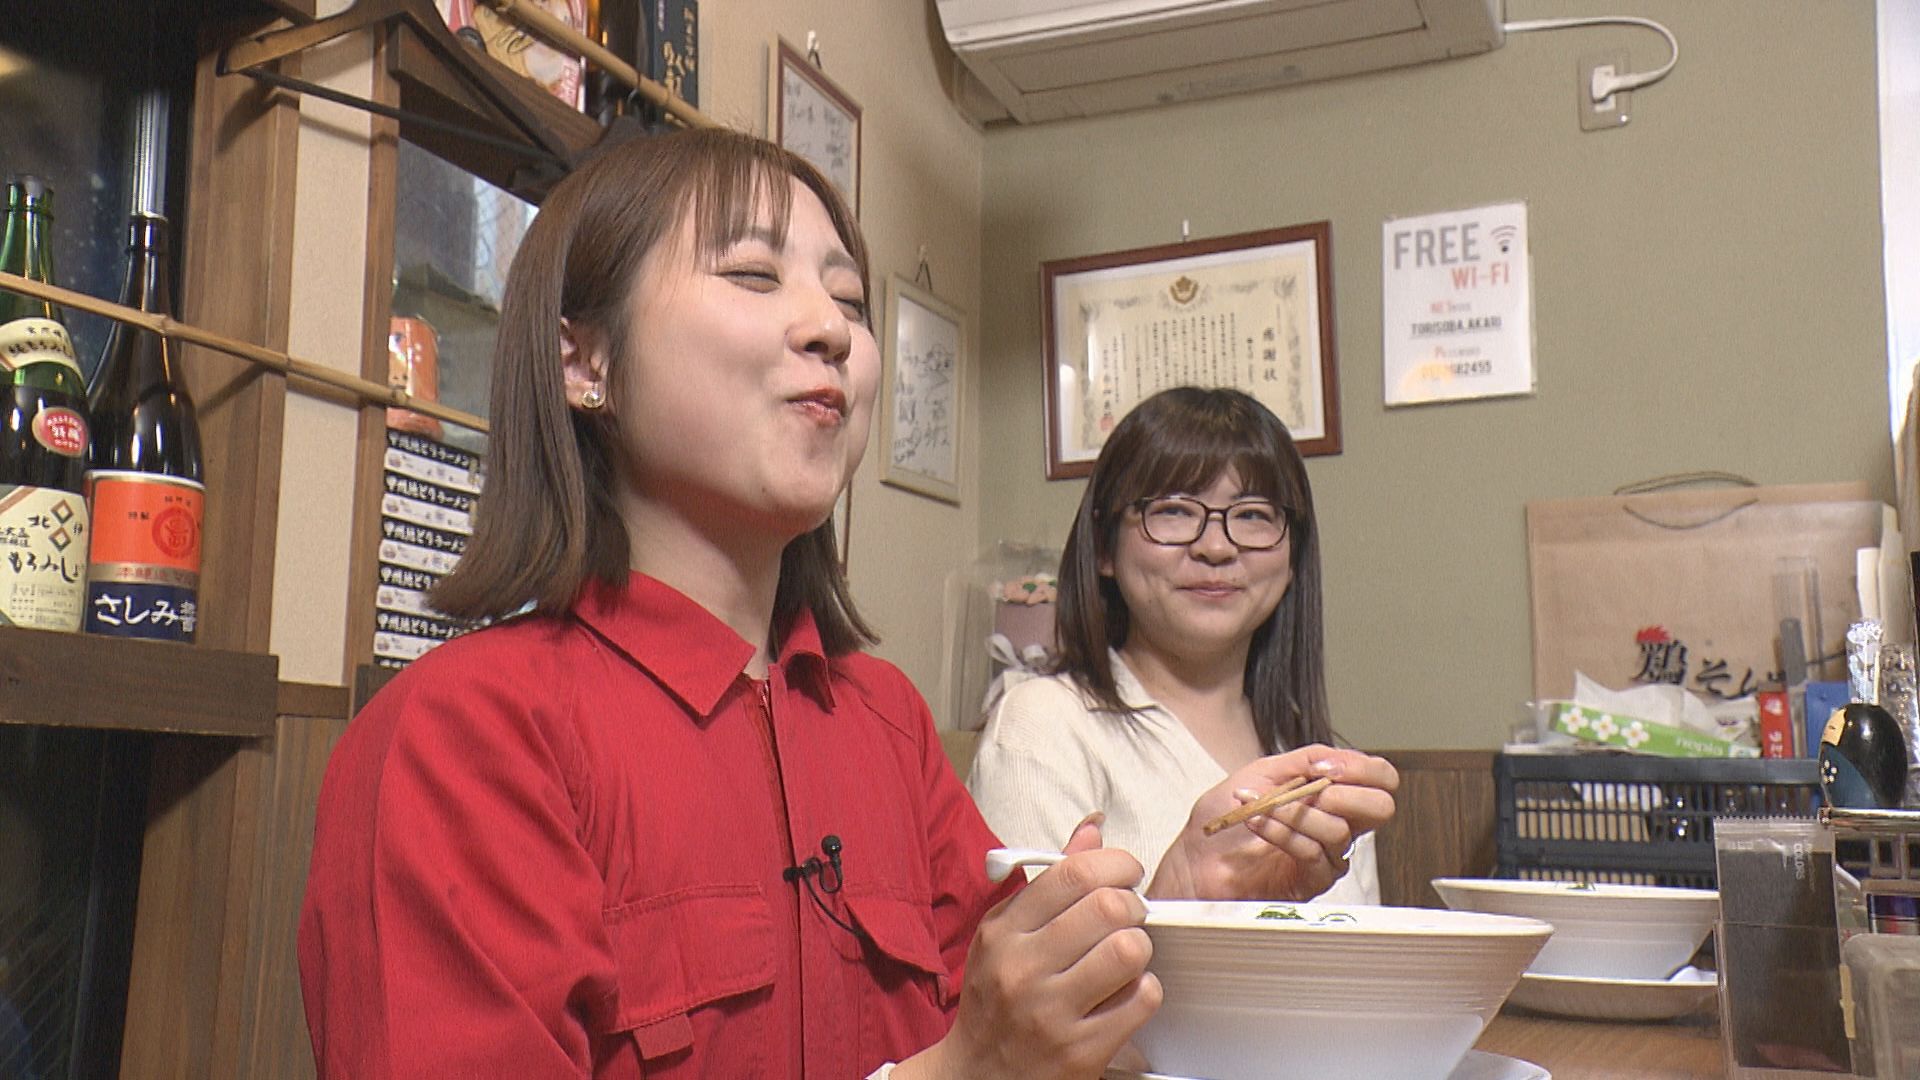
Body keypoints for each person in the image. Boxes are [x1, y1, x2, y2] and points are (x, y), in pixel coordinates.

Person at [297, 128, 1388, 1080]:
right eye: (752, 274)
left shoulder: (884, 722)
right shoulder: (463, 735)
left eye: (851, 303)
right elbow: (983, 1058)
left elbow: (1046, 1036)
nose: (831, 329)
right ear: (584, 360)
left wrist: (1185, 893)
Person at [969, 386, 1393, 904]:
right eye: (1173, 510)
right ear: (1104, 547)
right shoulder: (1042, 724)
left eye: (1253, 515)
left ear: (1292, 557)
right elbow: (1030, 952)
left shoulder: (1321, 764)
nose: (1215, 546)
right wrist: (1182, 891)